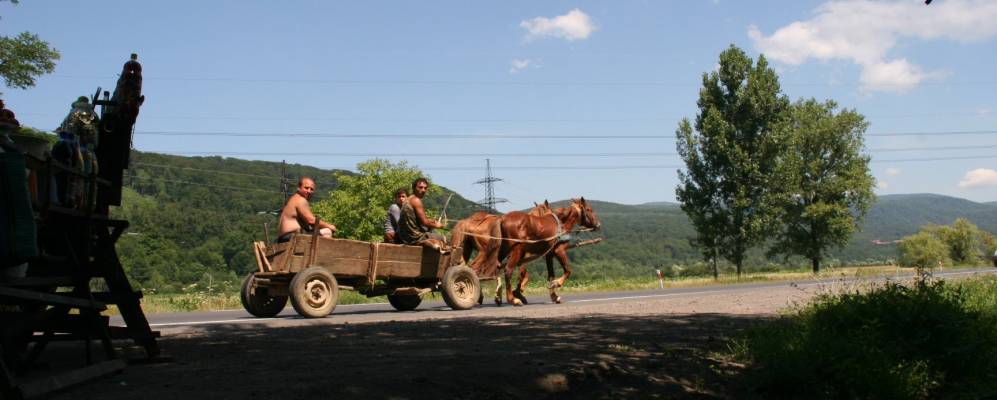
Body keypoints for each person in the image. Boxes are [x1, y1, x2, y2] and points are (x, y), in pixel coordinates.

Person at [277, 177, 336, 243]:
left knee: (315, 231)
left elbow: (308, 225)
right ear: (298, 187)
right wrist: (330, 226)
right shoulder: (300, 200)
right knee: (327, 231)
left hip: (284, 237)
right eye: (306, 188)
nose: (309, 191)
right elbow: (311, 220)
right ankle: (323, 253)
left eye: (311, 189)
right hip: (290, 237)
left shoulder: (294, 198)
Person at [398, 177, 445, 248]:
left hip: (405, 237)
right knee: (444, 238)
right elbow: (425, 222)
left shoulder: (408, 199)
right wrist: (438, 225)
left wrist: (431, 221)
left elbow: (419, 220)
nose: (423, 190)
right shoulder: (416, 200)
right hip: (414, 237)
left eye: (425, 188)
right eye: (420, 187)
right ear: (414, 188)